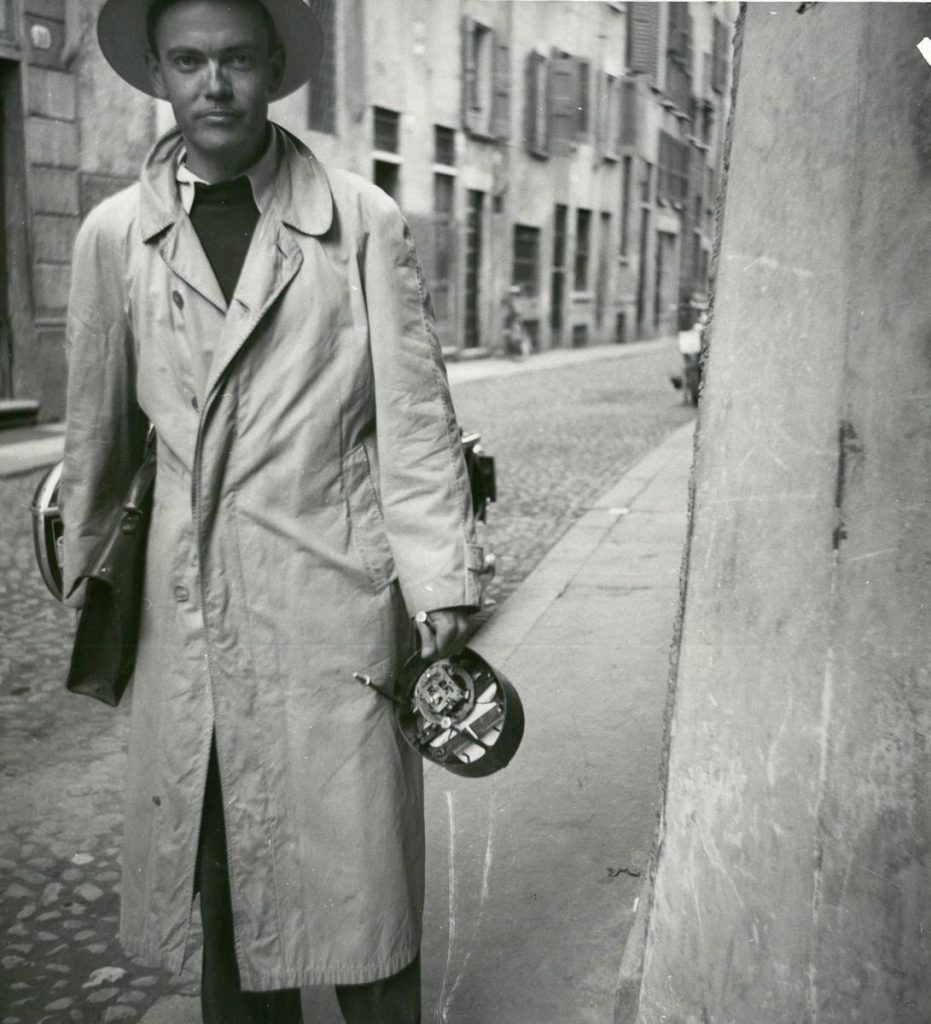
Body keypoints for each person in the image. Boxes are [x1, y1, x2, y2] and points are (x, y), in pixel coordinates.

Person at [59, 1, 484, 1021]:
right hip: (191, 620)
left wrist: (442, 586)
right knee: (231, 891)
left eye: (237, 58)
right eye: (191, 60)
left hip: (334, 606)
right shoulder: (115, 235)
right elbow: (95, 436)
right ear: (158, 70)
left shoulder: (359, 220)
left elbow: (414, 422)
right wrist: (91, 583)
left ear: (273, 66)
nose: (215, 84)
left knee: (364, 894)